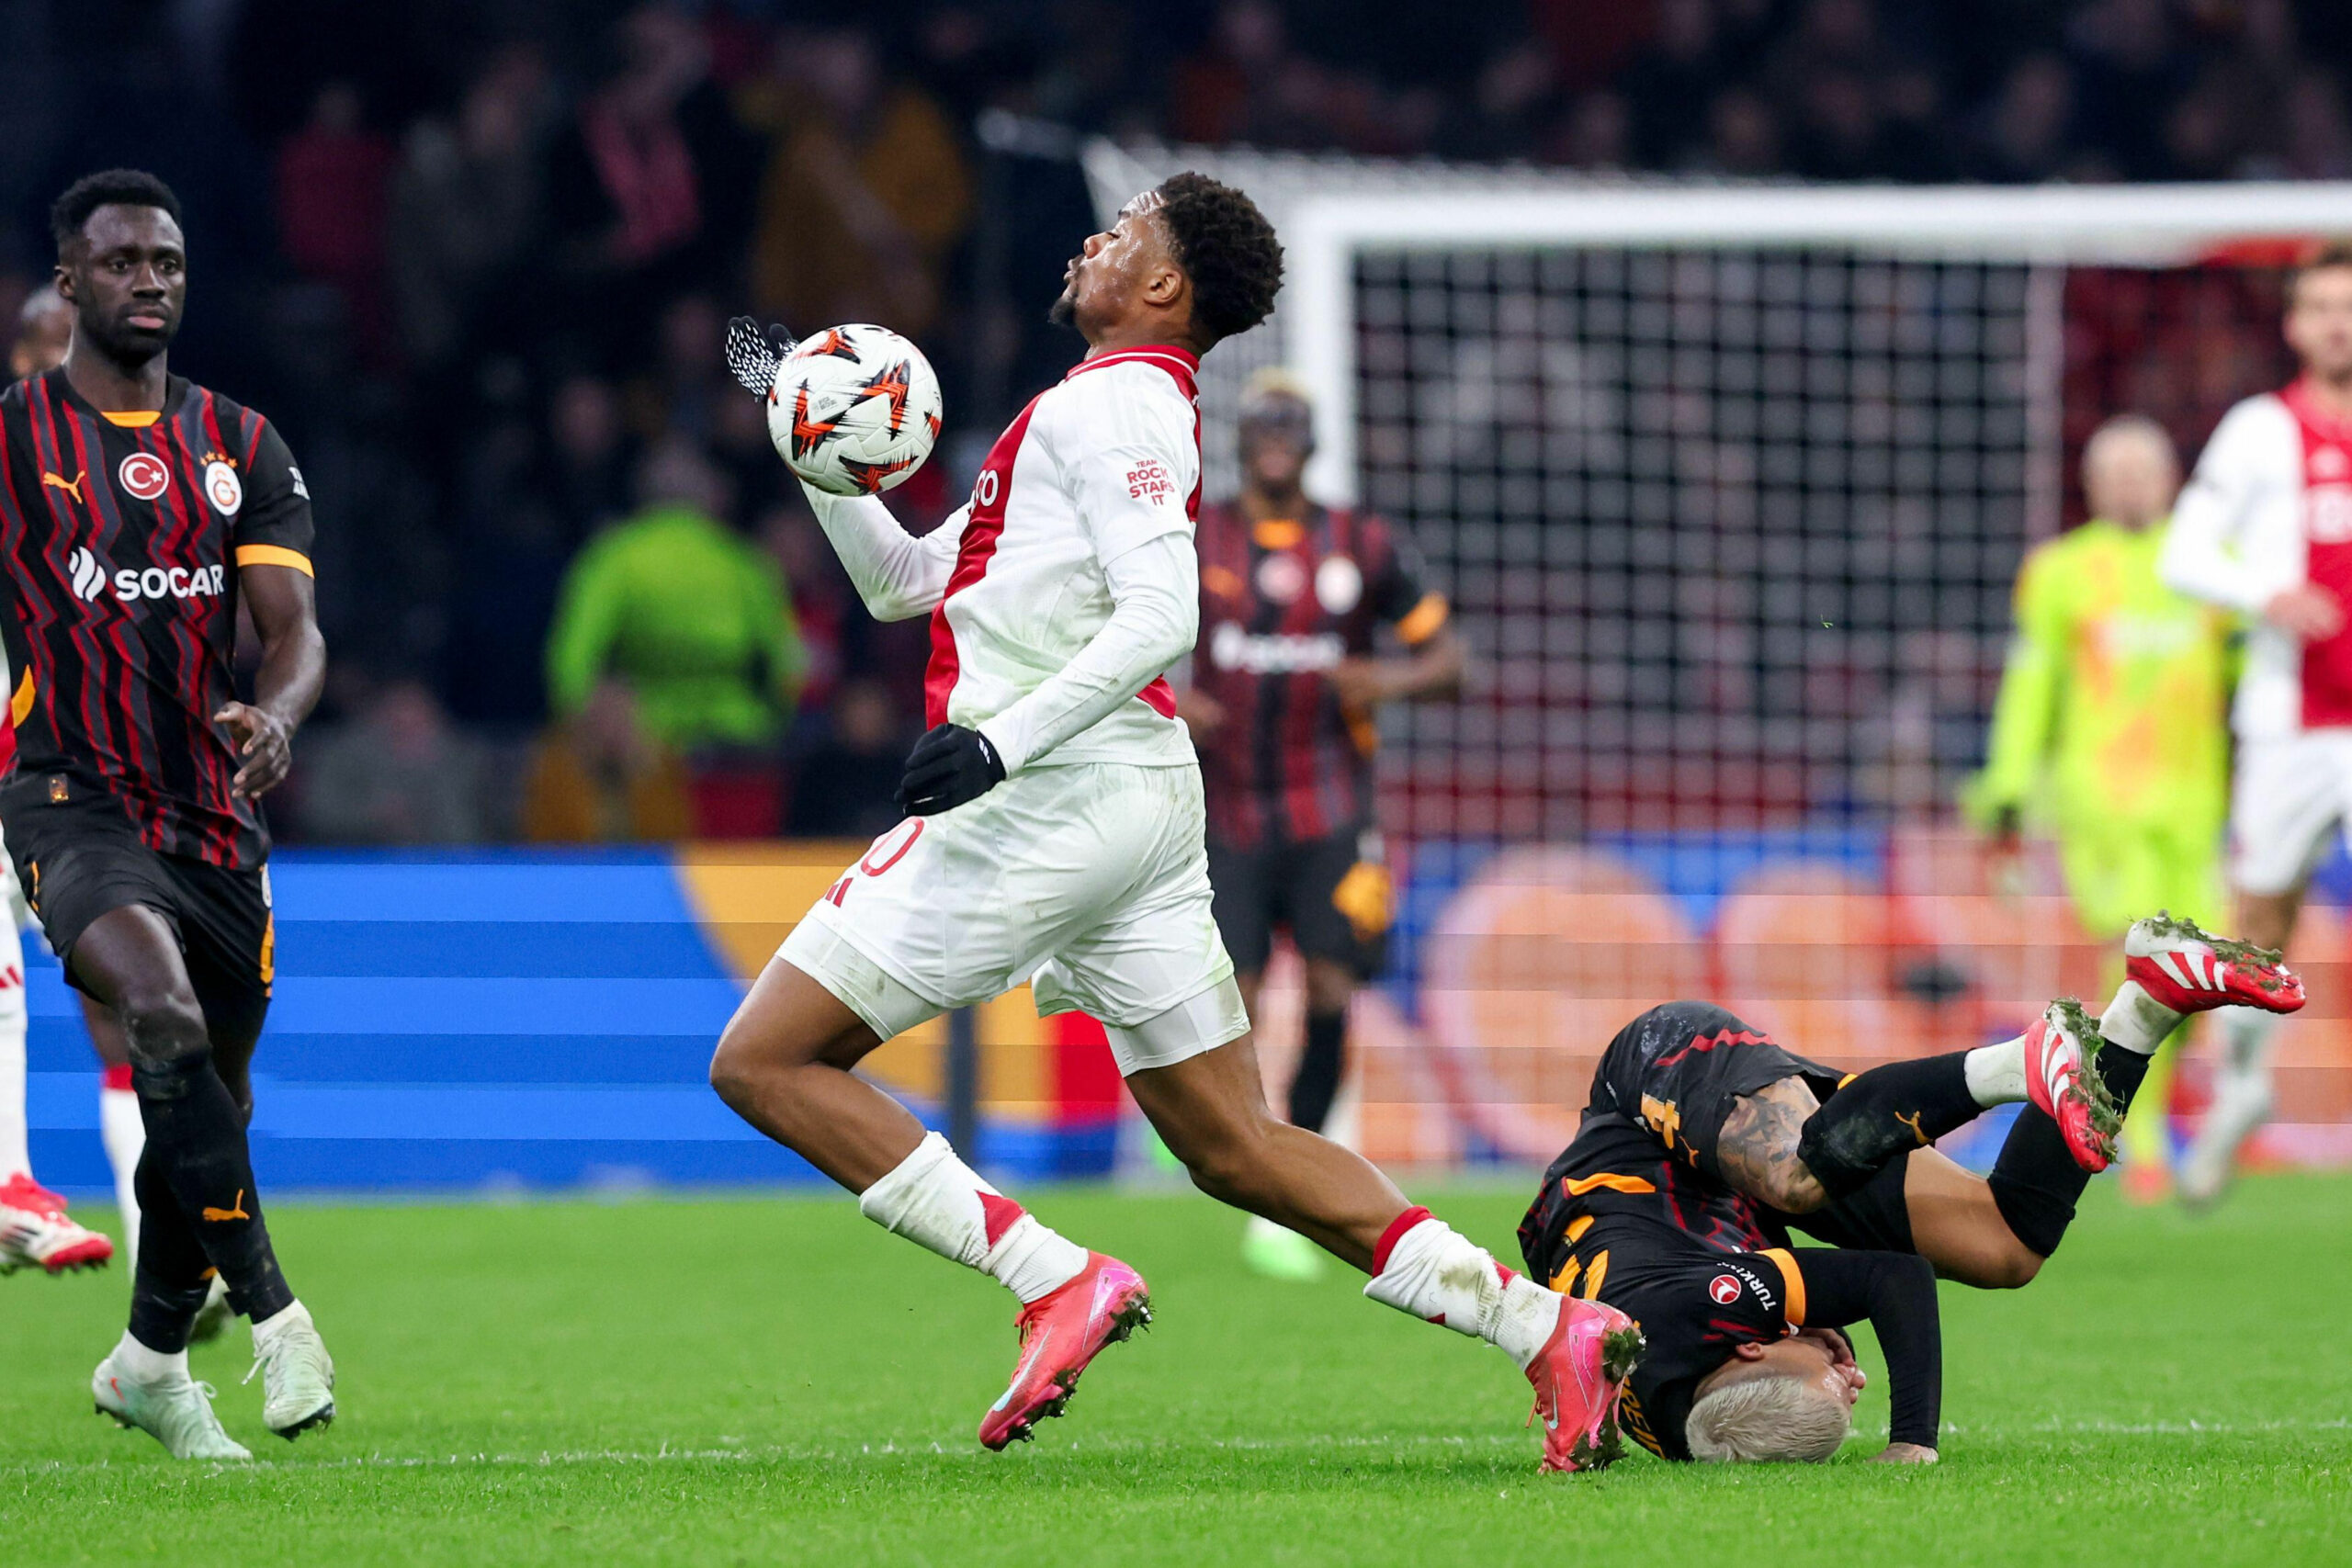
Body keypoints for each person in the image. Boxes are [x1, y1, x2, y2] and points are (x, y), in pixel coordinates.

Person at [707, 173, 1641, 1474]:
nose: (1095, 240)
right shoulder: (1095, 409)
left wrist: (997, 741)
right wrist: (815, 445)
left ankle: (1051, 1276)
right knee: (1235, 1143)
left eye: (1126, 234)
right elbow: (904, 582)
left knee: (766, 1063)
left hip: (1044, 798)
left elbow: (1165, 618)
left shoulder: (1118, 409)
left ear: (1162, 289)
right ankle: (1550, 1327)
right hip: (1133, 801)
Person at [0, 170, 334, 1461]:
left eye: (169, 262)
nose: (151, 280)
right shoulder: (16, 435)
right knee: (163, 1018)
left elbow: (294, 633)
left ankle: (145, 1362)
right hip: (68, 799)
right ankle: (273, 1309)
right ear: (69, 281)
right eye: (124, 260)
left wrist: (282, 716)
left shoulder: (242, 443)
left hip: (211, 813)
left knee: (208, 1107)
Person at [1518, 916, 2302, 1463]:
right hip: (1724, 1204)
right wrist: (1804, 1335)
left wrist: (1912, 1437)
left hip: (1650, 1101)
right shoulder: (1686, 1424)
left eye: (1833, 1382)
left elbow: (1891, 1277)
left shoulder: (1692, 1315)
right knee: (2005, 1247)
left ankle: (2019, 1062)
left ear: (1749, 1343)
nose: (1853, 1377)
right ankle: (2149, 1002)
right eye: (1852, 1390)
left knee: (1795, 1170)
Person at [1182, 368, 1463, 1280]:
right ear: (1238, 438)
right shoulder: (1196, 536)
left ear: (1310, 440)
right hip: (1226, 812)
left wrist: (1389, 680)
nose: (1273, 436)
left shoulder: (1361, 541)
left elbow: (1450, 658)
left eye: (1288, 424)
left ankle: (1292, 1174)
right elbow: (1124, 629)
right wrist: (1167, 699)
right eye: (1259, 421)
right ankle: (1247, 1164)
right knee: (1240, 1002)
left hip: (1332, 807)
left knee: (1335, 992)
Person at [1970, 416, 2231, 1202]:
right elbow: (2031, 682)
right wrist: (2007, 784)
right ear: (2088, 486)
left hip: (2194, 801)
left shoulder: (2213, 567)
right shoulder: (2060, 571)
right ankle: (2142, 1142)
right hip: (2101, 803)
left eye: (2141, 470)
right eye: (2111, 472)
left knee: (2205, 979)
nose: (2128, 484)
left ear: (2171, 479)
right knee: (2142, 969)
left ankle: (2151, 1121)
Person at [2157, 242, 2352, 1205]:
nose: (2336, 323)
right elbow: (2184, 552)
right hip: (2289, 717)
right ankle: (2238, 1085)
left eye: (2347, 306)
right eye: (2320, 306)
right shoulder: (2256, 430)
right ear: (2291, 323)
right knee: (2260, 919)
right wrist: (2262, 593)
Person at [0, 283, 120, 1280]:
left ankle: (166, 1250)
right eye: (37, 348)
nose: (51, 368)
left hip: (78, 786)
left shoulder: (136, 476)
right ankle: (12, 1187)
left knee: (131, 1001)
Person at [544, 438, 808, 754]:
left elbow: (571, 658)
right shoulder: (743, 561)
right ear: (709, 495)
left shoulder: (614, 556)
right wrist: (774, 726)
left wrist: (583, 727)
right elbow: (787, 663)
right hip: (738, 742)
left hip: (645, 742)